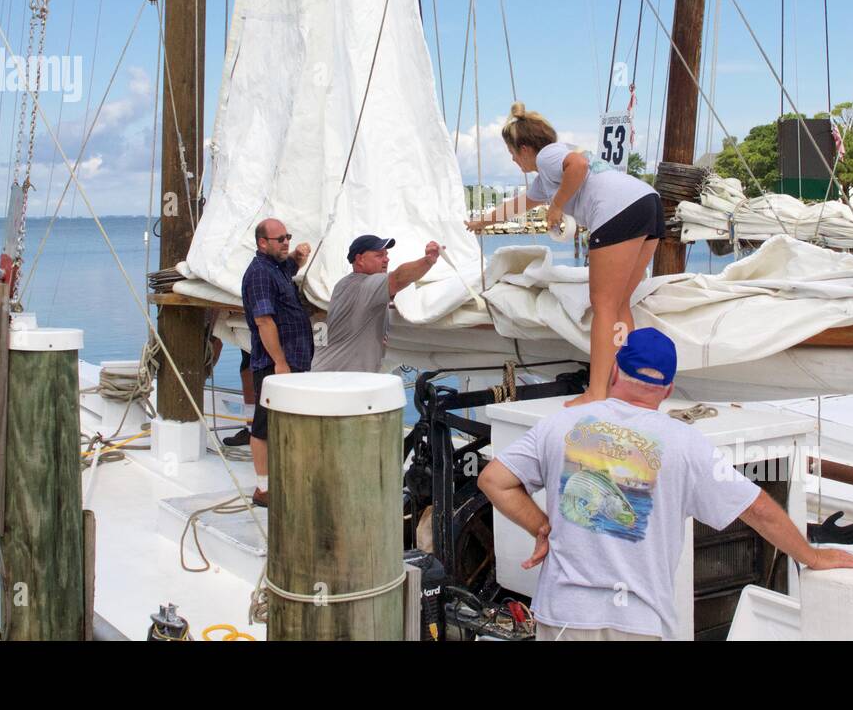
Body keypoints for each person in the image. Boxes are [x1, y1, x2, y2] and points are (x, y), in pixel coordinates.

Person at [478, 327, 853, 641]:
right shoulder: (686, 443)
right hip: (640, 621)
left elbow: (494, 480)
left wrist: (542, 526)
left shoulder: (560, 424)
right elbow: (759, 509)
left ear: (614, 372)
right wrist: (811, 557)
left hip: (566, 615)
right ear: (667, 389)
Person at [467, 102, 664, 406]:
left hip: (617, 210)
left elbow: (579, 167)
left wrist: (557, 206)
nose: (513, 160)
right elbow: (519, 204)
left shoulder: (549, 155)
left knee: (604, 305)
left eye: (512, 154)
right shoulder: (547, 177)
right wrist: (483, 221)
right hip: (647, 203)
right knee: (619, 303)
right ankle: (625, 383)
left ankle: (598, 392)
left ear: (525, 148)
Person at [241, 217, 314, 507]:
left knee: (286, 422)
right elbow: (263, 320)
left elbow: (290, 266)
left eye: (288, 237)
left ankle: (284, 481)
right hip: (275, 365)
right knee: (264, 425)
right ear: (262, 243)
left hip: (292, 362)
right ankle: (264, 490)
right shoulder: (259, 273)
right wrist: (280, 363)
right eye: (280, 239)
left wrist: (297, 256)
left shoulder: (276, 267)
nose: (286, 242)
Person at [311, 235, 442, 373]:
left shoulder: (344, 284)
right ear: (360, 259)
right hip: (338, 381)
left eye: (386, 255)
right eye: (379, 255)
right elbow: (398, 278)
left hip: (331, 376)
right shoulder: (362, 285)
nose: (386, 259)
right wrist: (428, 260)